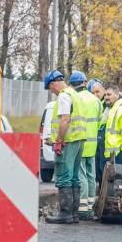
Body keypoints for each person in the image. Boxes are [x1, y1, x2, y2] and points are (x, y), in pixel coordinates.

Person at [43, 70, 85, 224]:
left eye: (51, 88)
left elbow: (65, 120)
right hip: (79, 140)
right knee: (74, 177)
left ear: (54, 83)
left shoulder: (64, 96)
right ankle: (74, 214)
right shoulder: (75, 94)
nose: (52, 92)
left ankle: (65, 213)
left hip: (67, 142)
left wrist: (58, 140)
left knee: (64, 177)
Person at [76, 74, 103, 220]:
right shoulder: (96, 100)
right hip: (93, 143)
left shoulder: (76, 99)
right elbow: (99, 121)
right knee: (91, 176)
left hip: (80, 142)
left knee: (82, 176)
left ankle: (82, 209)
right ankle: (91, 207)